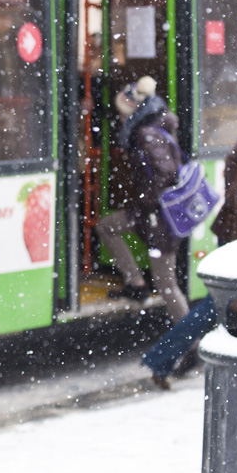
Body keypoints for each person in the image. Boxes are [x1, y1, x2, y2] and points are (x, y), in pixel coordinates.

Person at [142, 133, 237, 388]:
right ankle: (161, 359)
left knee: (217, 305)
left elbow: (231, 169)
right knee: (216, 306)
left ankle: (162, 360)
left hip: (231, 229)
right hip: (236, 233)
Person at [95, 76, 190, 322]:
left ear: (133, 110)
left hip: (160, 217)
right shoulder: (152, 126)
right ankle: (136, 282)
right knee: (107, 227)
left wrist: (146, 202)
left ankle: (192, 342)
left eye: (122, 113)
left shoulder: (146, 133)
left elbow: (166, 173)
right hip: (154, 213)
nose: (120, 118)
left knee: (167, 284)